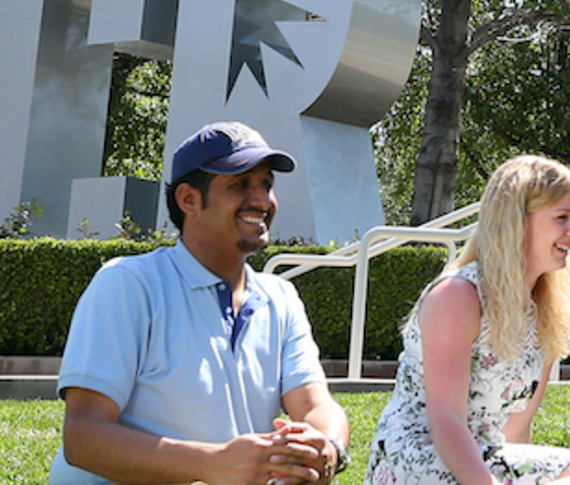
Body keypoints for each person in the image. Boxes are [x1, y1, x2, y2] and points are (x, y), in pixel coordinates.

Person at [53, 121, 351, 485]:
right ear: (188, 199)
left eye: (267, 184)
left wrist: (327, 449)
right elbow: (83, 438)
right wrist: (210, 464)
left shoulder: (281, 298)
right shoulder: (129, 284)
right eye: (240, 184)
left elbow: (316, 406)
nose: (261, 200)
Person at [366, 156, 570, 485]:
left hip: (483, 453)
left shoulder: (545, 309)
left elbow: (515, 430)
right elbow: (446, 421)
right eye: (562, 218)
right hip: (421, 456)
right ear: (517, 222)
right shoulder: (457, 296)